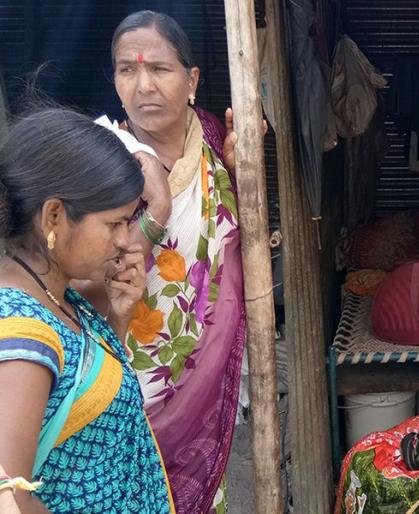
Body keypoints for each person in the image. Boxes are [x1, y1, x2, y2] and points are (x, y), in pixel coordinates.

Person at [94, 11, 247, 513]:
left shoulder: (211, 138)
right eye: (127, 70)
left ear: (192, 80)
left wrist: (239, 168)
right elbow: (83, 281)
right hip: (135, 381)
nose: (143, 86)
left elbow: (230, 232)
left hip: (203, 372)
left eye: (159, 69)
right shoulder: (103, 162)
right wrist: (155, 212)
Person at [0, 107, 173, 513]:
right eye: (115, 223)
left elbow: (83, 400)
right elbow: (9, 499)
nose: (126, 240)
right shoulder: (23, 336)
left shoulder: (58, 296)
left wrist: (119, 319)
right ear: (54, 216)